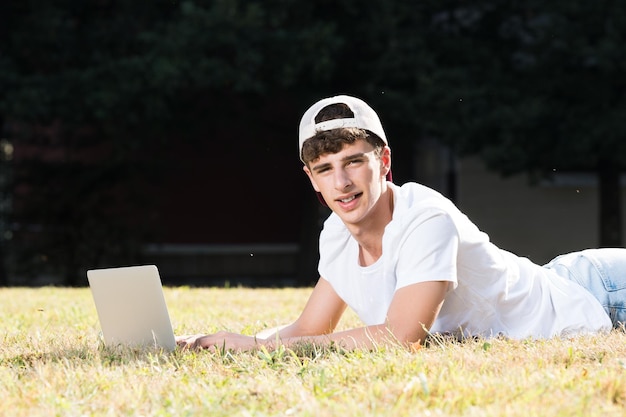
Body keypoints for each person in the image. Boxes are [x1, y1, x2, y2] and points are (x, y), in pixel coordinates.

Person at [177, 95, 626, 351]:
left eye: (354, 161)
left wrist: (260, 350)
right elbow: (306, 332)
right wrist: (221, 343)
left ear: (384, 161)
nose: (342, 182)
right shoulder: (336, 234)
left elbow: (401, 338)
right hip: (565, 276)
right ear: (311, 179)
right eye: (325, 168)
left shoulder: (426, 218)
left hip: (598, 293)